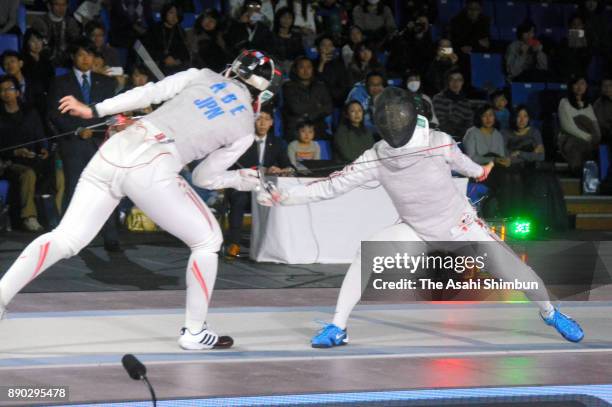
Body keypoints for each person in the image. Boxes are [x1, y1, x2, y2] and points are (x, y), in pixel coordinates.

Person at [0, 49, 283, 351]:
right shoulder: (243, 130)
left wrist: (93, 110)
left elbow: (148, 92)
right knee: (208, 241)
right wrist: (242, 179)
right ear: (261, 93)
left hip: (116, 149)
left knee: (67, 238)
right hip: (154, 166)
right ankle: (195, 331)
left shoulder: (200, 75)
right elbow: (204, 178)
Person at [257, 87, 583, 347]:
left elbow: (468, 168)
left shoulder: (438, 143)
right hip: (415, 230)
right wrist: (285, 195)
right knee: (367, 251)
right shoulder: (377, 156)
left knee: (519, 273)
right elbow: (331, 186)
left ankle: (551, 313)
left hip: (460, 228)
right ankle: (338, 327)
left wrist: (479, 170)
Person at [47, 38, 122, 252]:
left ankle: (111, 236)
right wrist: (77, 130)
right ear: (73, 57)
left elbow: (112, 113)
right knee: (74, 189)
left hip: (101, 143)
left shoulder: (106, 82)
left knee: (108, 189)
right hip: (74, 143)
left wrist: (97, 130)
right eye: (81, 54)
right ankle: (67, 236)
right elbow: (54, 114)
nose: (86, 59)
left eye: (89, 55)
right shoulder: (60, 82)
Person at [225, 106, 292, 258]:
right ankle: (234, 244)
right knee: (239, 198)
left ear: (272, 123)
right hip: (244, 186)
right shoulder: (243, 142)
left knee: (284, 197)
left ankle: (275, 243)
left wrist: (281, 170)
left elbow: (288, 166)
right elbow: (234, 166)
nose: (262, 123)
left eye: (266, 119)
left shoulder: (278, 143)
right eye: (259, 119)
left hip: (266, 189)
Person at [503, 105, 568, 230]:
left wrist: (519, 153)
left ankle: (539, 221)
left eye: (525, 116)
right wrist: (530, 154)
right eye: (519, 116)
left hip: (532, 168)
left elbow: (541, 156)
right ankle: (514, 217)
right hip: (511, 169)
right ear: (513, 118)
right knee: (515, 178)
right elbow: (506, 157)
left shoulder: (534, 132)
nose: (522, 120)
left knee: (544, 179)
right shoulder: (505, 133)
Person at [0, 75, 51, 232]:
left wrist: (44, 148)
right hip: (8, 162)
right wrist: (15, 151)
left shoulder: (30, 112)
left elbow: (40, 135)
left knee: (59, 172)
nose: (6, 93)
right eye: (2, 90)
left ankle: (58, 218)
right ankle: (29, 217)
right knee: (27, 174)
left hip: (32, 158)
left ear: (17, 92)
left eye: (10, 89)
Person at [282, 56, 333, 142]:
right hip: (296, 128)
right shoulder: (288, 87)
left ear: (312, 69)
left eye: (309, 67)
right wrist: (317, 105)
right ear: (296, 69)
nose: (306, 70)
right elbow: (296, 108)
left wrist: (310, 115)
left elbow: (329, 107)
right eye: (302, 67)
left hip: (318, 127)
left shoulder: (320, 86)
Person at [557, 75, 600, 175]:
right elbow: (567, 127)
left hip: (588, 138)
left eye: (582, 83)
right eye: (576, 84)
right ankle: (578, 170)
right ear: (571, 86)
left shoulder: (589, 106)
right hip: (569, 137)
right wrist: (588, 137)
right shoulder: (564, 102)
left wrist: (596, 138)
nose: (579, 87)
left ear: (586, 86)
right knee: (577, 143)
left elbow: (595, 126)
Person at [31, 0, 81, 67]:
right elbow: (42, 45)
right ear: (49, 6)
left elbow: (75, 42)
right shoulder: (40, 21)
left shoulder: (71, 22)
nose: (61, 8)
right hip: (45, 61)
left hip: (68, 62)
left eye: (64, 5)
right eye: (57, 4)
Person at [145, 3, 190, 75]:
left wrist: (175, 59)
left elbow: (185, 52)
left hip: (177, 66)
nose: (174, 16)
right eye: (171, 13)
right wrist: (164, 58)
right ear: (165, 13)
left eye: (177, 13)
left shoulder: (180, 31)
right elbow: (148, 50)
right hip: (157, 65)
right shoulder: (154, 29)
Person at [432, 69, 473, 141]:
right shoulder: (438, 98)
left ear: (462, 82)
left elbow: (469, 124)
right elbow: (440, 121)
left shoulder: (465, 102)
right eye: (452, 80)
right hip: (441, 137)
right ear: (448, 82)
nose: (455, 83)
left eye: (459, 80)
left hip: (461, 138)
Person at [187, 8, 229, 72]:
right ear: (202, 18)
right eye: (207, 18)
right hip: (196, 69)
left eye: (213, 21)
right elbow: (192, 52)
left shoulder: (218, 36)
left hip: (217, 69)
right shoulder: (190, 32)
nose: (209, 22)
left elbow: (224, 53)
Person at [594, 76, 612, 146]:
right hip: (606, 136)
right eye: (604, 86)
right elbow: (600, 123)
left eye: (610, 85)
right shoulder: (598, 104)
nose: (607, 88)